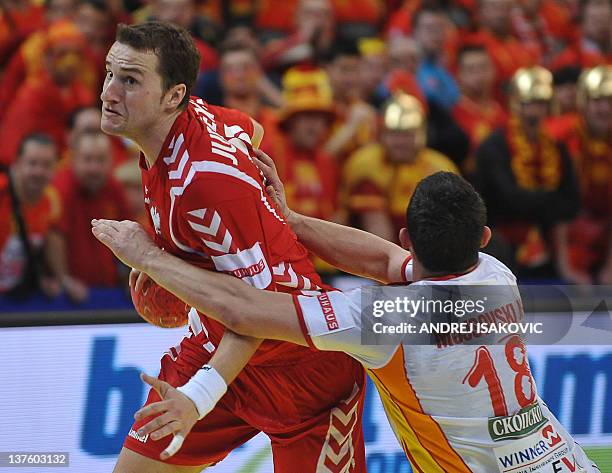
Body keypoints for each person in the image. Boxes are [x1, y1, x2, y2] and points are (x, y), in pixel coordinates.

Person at [92, 162, 601, 473]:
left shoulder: (384, 319)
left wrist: (150, 258)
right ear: (483, 239)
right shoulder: (496, 277)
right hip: (563, 460)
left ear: (407, 237)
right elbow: (383, 262)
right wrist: (287, 223)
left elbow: (246, 310)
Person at [99, 21, 366, 472]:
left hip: (300, 369)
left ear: (172, 96)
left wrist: (153, 259)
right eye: (109, 73)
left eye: (129, 80)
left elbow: (259, 309)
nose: (109, 92)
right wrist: (257, 205)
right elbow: (251, 130)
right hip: (220, 346)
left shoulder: (204, 185)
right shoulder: (190, 120)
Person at [475, 66, 579, 278]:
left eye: (540, 103)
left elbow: (572, 199)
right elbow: (506, 198)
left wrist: (542, 203)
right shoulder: (494, 145)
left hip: (546, 239)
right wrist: (550, 200)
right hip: (498, 241)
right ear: (515, 104)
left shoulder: (556, 147)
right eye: (528, 103)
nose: (534, 111)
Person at [343, 92, 457, 242]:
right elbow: (378, 234)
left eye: (408, 135)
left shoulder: (440, 166)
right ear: (382, 134)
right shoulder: (367, 164)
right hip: (382, 252)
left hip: (430, 250)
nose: (401, 143)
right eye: (394, 134)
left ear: (422, 134)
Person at [48, 130, 132, 302]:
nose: (94, 167)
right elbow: (54, 235)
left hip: (109, 290)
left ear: (110, 161)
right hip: (71, 296)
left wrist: (128, 278)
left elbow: (129, 233)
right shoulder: (60, 187)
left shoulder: (113, 188)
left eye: (100, 160)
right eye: (88, 159)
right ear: (73, 159)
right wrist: (65, 280)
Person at [0, 133, 60, 298]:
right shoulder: (2, 191)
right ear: (17, 163)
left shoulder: (51, 201)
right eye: (32, 163)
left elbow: (46, 243)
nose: (39, 171)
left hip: (14, 292)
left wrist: (51, 279)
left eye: (46, 165)